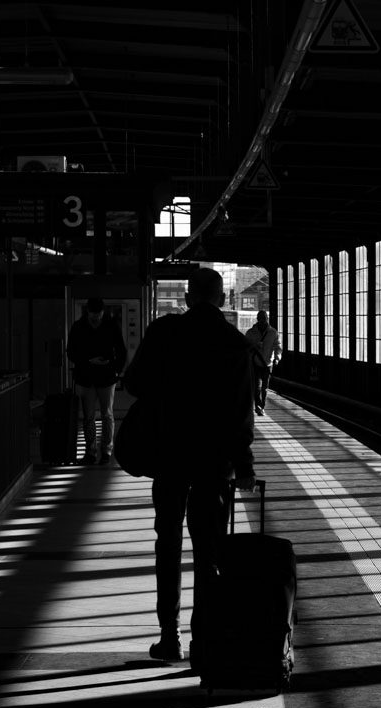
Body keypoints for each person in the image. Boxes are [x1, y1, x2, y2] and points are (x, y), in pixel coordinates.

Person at [122, 268, 257, 665]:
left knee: (168, 542)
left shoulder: (164, 332)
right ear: (222, 298)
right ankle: (203, 640)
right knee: (208, 550)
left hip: (169, 454)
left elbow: (133, 384)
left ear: (186, 297)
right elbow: (241, 414)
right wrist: (244, 463)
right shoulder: (234, 344)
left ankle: (170, 637)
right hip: (214, 462)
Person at [65, 298, 126, 465]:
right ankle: (105, 451)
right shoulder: (111, 326)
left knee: (90, 416)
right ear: (89, 312)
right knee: (106, 415)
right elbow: (121, 351)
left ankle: (91, 452)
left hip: (86, 376)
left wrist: (87, 361)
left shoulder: (78, 327)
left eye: (97, 315)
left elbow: (71, 352)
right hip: (106, 376)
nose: (96, 318)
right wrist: (115, 368)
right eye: (94, 315)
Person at [243, 310, 282, 415]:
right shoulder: (251, 333)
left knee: (264, 388)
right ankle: (259, 406)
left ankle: (262, 406)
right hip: (255, 363)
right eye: (260, 318)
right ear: (257, 319)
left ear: (267, 319)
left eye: (264, 318)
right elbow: (245, 347)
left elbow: (278, 346)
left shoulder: (273, 333)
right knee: (257, 387)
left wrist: (277, 358)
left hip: (267, 363)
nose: (262, 321)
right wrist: (254, 347)